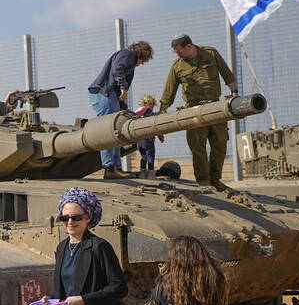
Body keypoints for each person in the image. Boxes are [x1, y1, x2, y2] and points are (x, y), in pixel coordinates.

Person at [159, 35, 238, 190]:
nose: (177, 54)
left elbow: (227, 74)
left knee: (220, 144)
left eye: (179, 51)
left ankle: (216, 179)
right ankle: (204, 181)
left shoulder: (211, 54)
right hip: (193, 110)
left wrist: (235, 93)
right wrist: (161, 115)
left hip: (216, 107)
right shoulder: (178, 66)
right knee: (197, 147)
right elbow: (169, 93)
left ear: (189, 46)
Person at [88, 41, 154, 178]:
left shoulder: (128, 57)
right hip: (104, 93)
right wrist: (124, 87)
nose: (141, 64)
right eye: (143, 61)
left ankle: (116, 168)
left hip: (109, 94)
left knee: (115, 131)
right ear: (143, 55)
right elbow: (118, 69)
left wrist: (125, 110)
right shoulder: (128, 54)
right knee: (107, 131)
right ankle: (109, 168)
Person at [134, 94, 166, 178]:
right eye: (152, 105)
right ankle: (151, 173)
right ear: (150, 104)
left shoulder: (136, 113)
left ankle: (142, 173)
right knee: (150, 156)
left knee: (143, 157)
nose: (153, 108)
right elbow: (154, 126)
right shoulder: (149, 112)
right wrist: (160, 136)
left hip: (139, 140)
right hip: (148, 140)